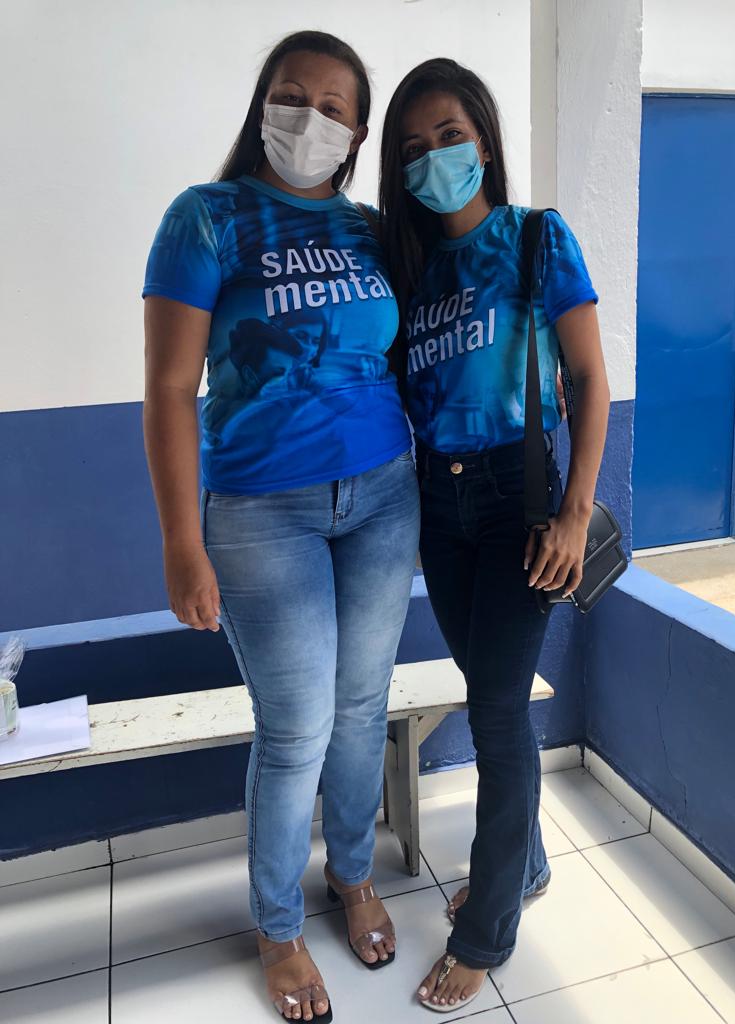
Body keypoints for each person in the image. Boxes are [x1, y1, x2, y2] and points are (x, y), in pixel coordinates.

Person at [142, 31, 420, 1022]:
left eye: (336, 107)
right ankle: (277, 925)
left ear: (358, 133)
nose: (312, 118)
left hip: (384, 495)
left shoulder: (370, 230)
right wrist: (182, 543)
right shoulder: (205, 219)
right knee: (297, 723)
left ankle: (352, 873)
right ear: (263, 103)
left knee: (363, 706)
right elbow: (169, 389)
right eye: (293, 96)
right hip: (263, 511)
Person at [379, 59, 610, 1012]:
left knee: (497, 714)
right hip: (441, 511)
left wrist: (572, 514)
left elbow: (589, 381)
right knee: (491, 695)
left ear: (483, 137)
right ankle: (528, 863)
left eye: (449, 136)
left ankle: (487, 930)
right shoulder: (414, 272)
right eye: (414, 148)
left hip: (521, 504)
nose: (434, 159)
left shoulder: (535, 239)